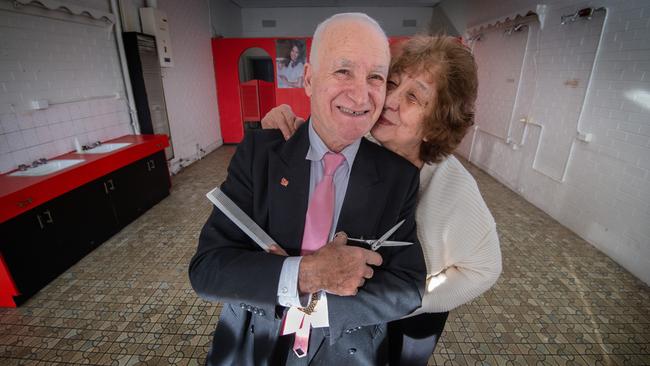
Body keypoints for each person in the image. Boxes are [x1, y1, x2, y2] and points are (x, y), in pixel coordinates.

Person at [189, 13, 426, 366]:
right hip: (253, 344)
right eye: (343, 71)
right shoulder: (261, 154)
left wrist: (322, 306)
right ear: (309, 79)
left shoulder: (398, 176)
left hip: (346, 351)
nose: (361, 94)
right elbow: (208, 267)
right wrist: (305, 275)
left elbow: (407, 286)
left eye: (376, 76)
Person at [262, 35, 502, 365]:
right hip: (339, 308)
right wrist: (284, 122)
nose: (390, 101)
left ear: (437, 123)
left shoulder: (454, 188)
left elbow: (485, 269)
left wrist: (410, 299)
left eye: (414, 97)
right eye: (392, 84)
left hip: (408, 317)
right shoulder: (360, 142)